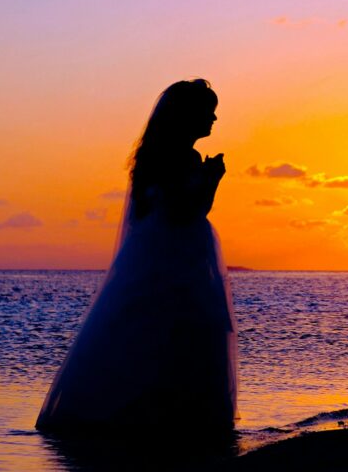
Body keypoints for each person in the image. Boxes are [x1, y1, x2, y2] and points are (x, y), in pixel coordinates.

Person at [36, 79, 237, 434]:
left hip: (170, 253)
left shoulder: (162, 157)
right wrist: (211, 180)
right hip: (171, 256)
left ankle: (167, 416)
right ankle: (170, 419)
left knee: (170, 333)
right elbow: (181, 211)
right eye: (208, 111)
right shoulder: (172, 159)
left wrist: (208, 179)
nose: (214, 118)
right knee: (170, 330)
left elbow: (184, 209)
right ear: (187, 115)